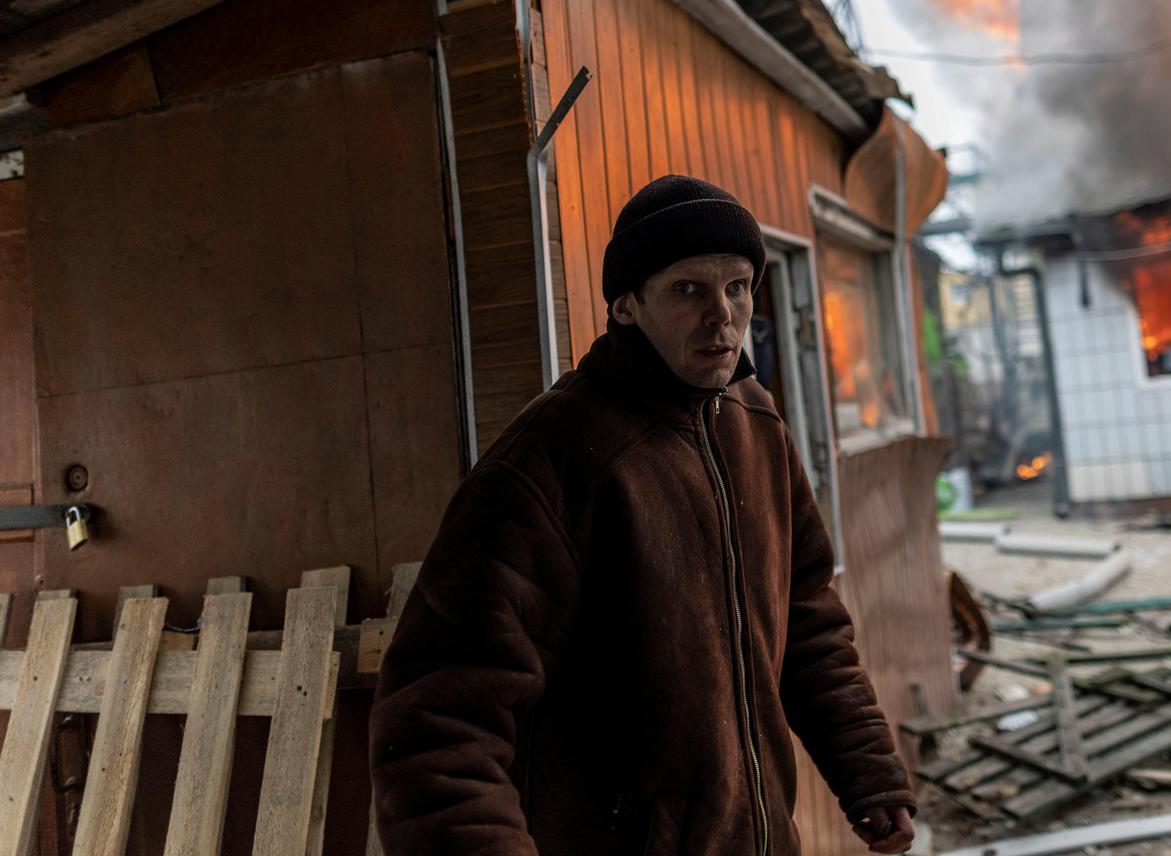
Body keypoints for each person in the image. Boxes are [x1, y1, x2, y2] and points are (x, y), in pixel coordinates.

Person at [370, 175, 917, 855]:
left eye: (738, 287)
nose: (722, 317)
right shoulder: (550, 462)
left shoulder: (756, 425)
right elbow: (437, 723)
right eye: (689, 290)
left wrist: (868, 769)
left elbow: (807, 618)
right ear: (627, 306)